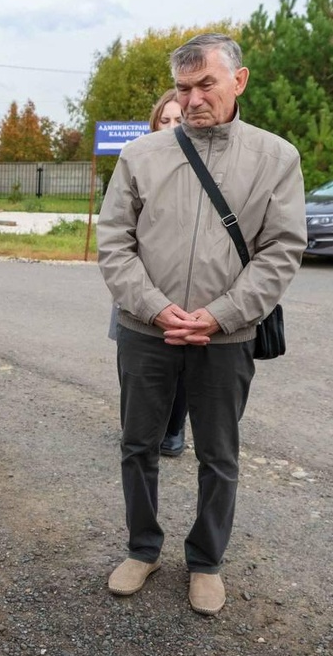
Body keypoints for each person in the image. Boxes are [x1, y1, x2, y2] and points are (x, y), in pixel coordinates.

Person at [97, 34, 307, 615]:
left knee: (219, 454)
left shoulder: (276, 158)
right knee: (138, 444)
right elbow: (114, 242)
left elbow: (282, 250)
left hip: (227, 337)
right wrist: (155, 307)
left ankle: (206, 561)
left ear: (237, 82)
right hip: (148, 331)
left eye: (205, 85)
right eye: (184, 88)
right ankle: (142, 548)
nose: (191, 100)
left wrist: (219, 316)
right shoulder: (142, 156)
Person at [107, 88, 188, 458]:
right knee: (137, 364)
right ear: (154, 124)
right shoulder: (137, 163)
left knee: (183, 363)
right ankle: (137, 427)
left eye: (179, 120)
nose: (171, 127)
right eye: (165, 120)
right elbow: (117, 233)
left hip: (188, 290)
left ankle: (173, 428)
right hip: (140, 286)